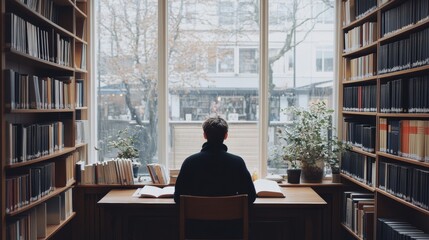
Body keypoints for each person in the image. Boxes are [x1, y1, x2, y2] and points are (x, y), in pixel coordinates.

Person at [174, 116, 256, 238]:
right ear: (226, 136)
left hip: (197, 231)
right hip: (230, 231)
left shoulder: (190, 162)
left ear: (205, 135)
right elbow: (251, 196)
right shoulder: (237, 162)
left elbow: (178, 198)